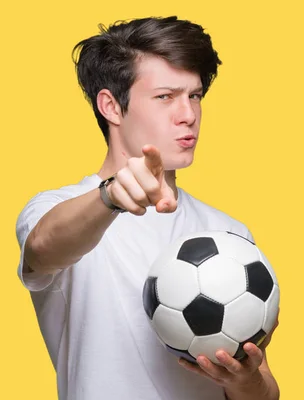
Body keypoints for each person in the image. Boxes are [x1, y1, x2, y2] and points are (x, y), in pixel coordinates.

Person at [14, 16, 280, 400]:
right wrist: (110, 198)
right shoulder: (57, 209)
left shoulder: (230, 235)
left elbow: (263, 391)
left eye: (195, 95)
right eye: (165, 96)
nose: (188, 114)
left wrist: (245, 382)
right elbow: (43, 248)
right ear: (111, 107)